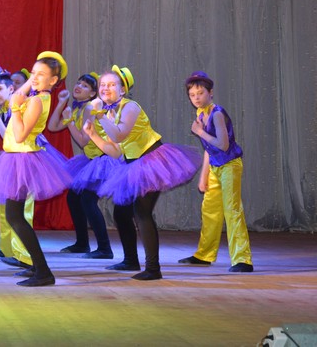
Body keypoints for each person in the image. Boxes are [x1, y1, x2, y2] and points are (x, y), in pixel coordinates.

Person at [85, 66, 200, 280]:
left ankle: (153, 268)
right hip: (132, 165)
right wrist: (93, 136)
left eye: (111, 85)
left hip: (152, 160)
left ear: (122, 90)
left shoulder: (130, 107)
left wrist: (99, 116)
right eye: (102, 85)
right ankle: (130, 260)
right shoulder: (110, 113)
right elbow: (115, 150)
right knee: (121, 213)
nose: (105, 88)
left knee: (142, 212)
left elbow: (119, 135)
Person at [0, 52, 72, 287]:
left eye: (42, 74)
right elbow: (19, 95)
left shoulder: (38, 101)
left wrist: (17, 108)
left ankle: (43, 271)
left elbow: (19, 135)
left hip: (22, 158)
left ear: (53, 80)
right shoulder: (36, 95)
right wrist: (30, 81)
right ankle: (39, 268)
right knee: (15, 216)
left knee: (15, 216)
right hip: (16, 158)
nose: (35, 77)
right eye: (33, 73)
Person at [178, 71, 253, 273]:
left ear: (210, 93)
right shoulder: (200, 114)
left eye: (200, 93)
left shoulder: (217, 113)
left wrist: (200, 132)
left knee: (232, 210)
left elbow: (222, 144)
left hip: (229, 165)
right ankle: (204, 254)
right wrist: (203, 176)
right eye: (192, 95)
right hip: (215, 166)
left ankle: (242, 259)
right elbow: (208, 149)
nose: (196, 98)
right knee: (209, 210)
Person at [49, 72, 114, 259]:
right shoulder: (77, 108)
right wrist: (61, 103)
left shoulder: (90, 108)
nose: (79, 86)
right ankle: (82, 243)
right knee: (73, 197)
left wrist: (69, 121)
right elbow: (52, 127)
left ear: (93, 93)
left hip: (103, 160)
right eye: (78, 83)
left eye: (85, 86)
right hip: (90, 160)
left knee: (87, 200)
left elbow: (84, 141)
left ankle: (105, 248)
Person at [0, 66, 35, 269]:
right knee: (5, 206)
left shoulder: (18, 106)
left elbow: (13, 137)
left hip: (27, 161)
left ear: (11, 89)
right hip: (14, 159)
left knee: (22, 209)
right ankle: (8, 249)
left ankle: (25, 256)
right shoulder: (5, 107)